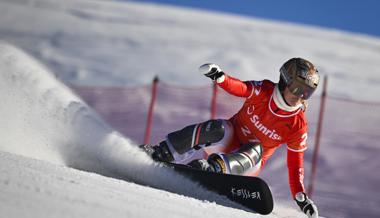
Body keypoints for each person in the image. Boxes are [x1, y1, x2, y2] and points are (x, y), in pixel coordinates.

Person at [142, 57, 319, 218]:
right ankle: (161, 153)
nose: (300, 97)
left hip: (248, 164)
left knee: (256, 147)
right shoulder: (265, 91)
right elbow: (241, 88)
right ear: (284, 81)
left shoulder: (298, 125)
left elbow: (296, 164)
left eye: (307, 92)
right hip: (227, 142)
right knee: (218, 127)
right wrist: (220, 77)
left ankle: (213, 171)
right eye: (297, 88)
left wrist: (300, 197)